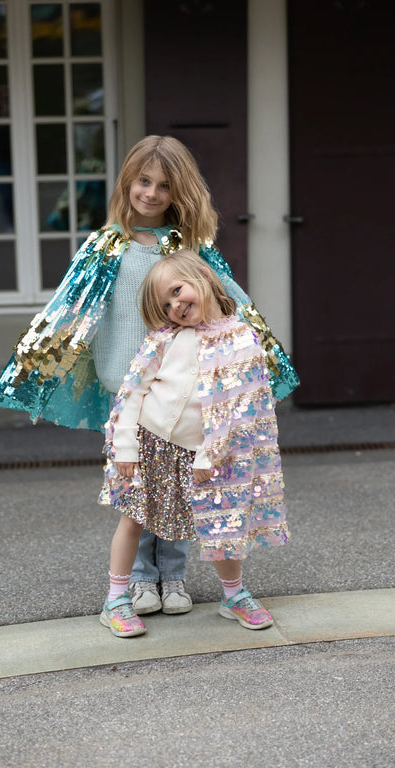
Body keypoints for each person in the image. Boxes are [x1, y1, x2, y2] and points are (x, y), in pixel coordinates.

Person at [0, 136, 298, 619]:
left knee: (182, 486)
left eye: (164, 186)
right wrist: (36, 366)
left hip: (185, 387)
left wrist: (256, 353)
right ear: (127, 183)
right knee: (139, 489)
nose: (152, 193)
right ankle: (139, 581)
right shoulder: (105, 246)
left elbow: (229, 299)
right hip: (129, 387)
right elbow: (73, 308)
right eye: (144, 181)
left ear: (180, 191)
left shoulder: (189, 248)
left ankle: (172, 576)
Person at [98, 250, 290, 637]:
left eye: (176, 291)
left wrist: (208, 455)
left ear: (202, 277)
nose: (175, 306)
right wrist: (126, 447)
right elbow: (134, 393)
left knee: (221, 526)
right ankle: (116, 599)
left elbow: (239, 411)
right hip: (151, 446)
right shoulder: (164, 340)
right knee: (134, 519)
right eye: (165, 305)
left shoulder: (242, 340)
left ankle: (234, 595)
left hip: (208, 456)